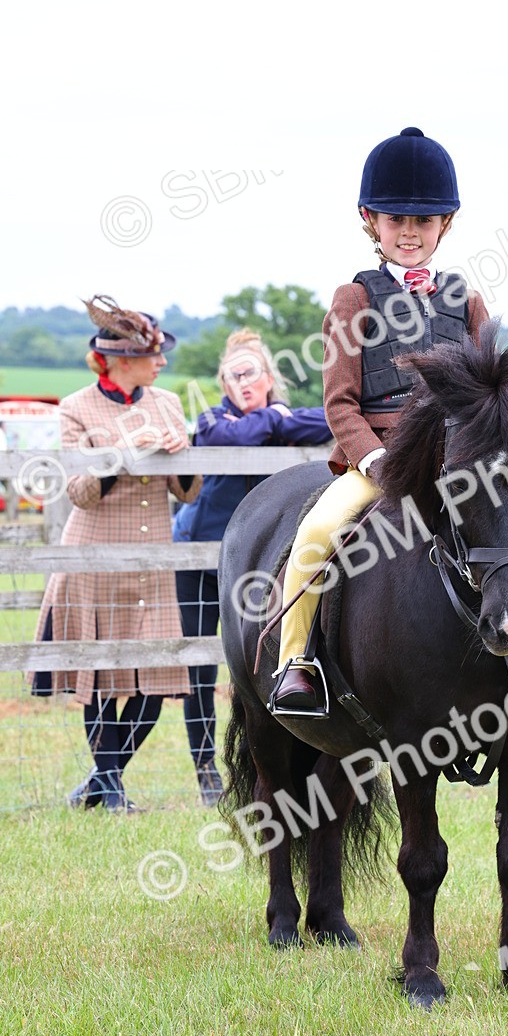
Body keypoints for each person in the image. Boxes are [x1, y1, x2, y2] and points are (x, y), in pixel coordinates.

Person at [270, 126, 508, 715]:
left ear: (444, 224)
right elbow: (340, 403)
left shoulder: (466, 301)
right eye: (396, 220)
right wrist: (376, 459)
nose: (409, 232)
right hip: (379, 463)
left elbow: (493, 391)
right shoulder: (353, 299)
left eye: (423, 221)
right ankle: (297, 664)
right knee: (318, 533)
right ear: (370, 221)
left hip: (458, 465)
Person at [29, 297, 202, 811]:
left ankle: (101, 781)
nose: (162, 362)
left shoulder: (168, 402)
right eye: (153, 355)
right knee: (101, 676)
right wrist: (125, 453)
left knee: (157, 678)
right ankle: (111, 790)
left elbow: (188, 491)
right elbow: (79, 492)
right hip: (95, 557)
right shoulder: (75, 408)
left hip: (154, 561)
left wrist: (181, 453)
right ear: (122, 361)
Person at [172, 328, 332, 803]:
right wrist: (275, 419)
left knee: (260, 662)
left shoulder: (288, 416)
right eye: (233, 376)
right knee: (200, 668)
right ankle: (204, 767)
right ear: (223, 383)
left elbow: (326, 421)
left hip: (263, 563)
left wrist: (277, 419)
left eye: (251, 373)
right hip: (203, 557)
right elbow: (231, 435)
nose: (242, 383)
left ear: (269, 377)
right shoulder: (211, 419)